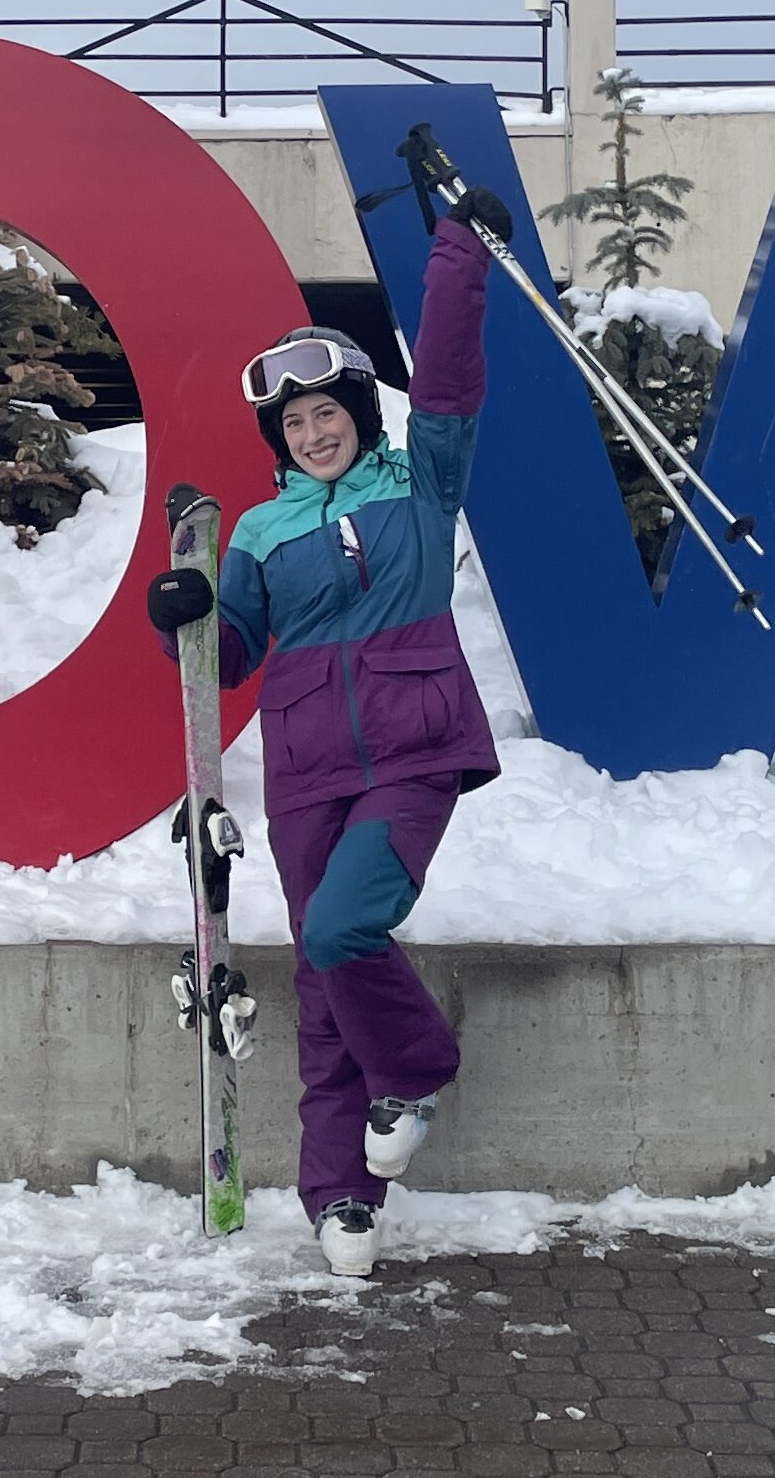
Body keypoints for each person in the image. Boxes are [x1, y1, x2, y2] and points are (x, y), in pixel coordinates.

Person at [147, 196, 507, 1276]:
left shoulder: (420, 486)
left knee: (346, 929)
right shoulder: (259, 530)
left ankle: (417, 1067)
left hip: (414, 750)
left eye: (327, 409)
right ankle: (341, 1193)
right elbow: (230, 652)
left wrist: (458, 254)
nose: (312, 431)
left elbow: (446, 380)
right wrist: (181, 614)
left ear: (357, 408)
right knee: (318, 975)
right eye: (292, 421)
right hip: (304, 770)